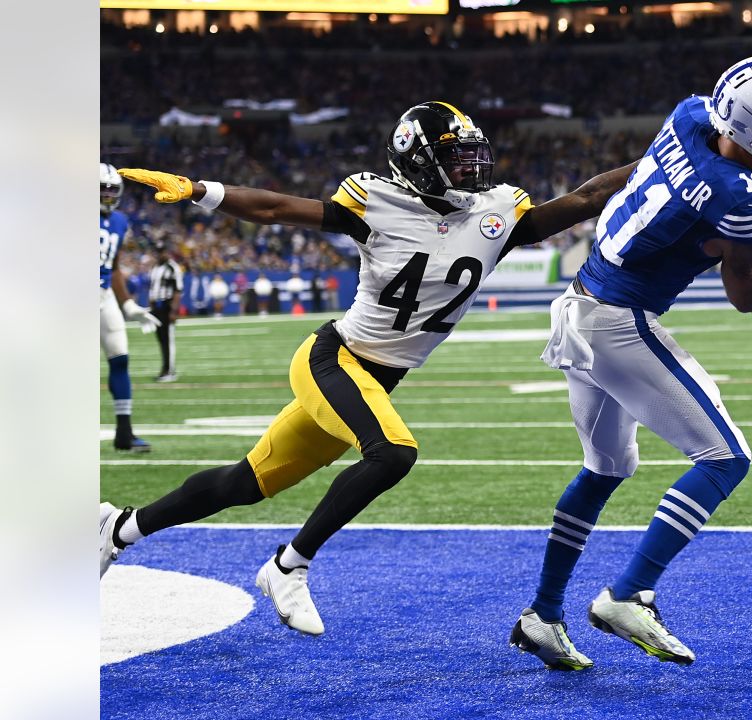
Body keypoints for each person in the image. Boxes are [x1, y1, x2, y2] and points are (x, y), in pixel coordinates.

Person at [99, 102, 639, 639]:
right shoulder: (376, 201)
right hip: (333, 360)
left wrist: (663, 161)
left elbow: (589, 197)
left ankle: (118, 528)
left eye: (474, 154)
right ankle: (289, 565)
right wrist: (202, 190)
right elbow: (276, 209)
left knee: (244, 482)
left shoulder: (497, 213)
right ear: (417, 162)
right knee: (393, 453)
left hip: (375, 379)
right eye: (456, 157)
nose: (473, 168)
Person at [510, 56, 752, 670]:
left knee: (605, 469)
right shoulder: (743, 195)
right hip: (620, 323)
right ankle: (628, 596)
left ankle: (542, 613)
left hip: (575, 306)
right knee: (726, 458)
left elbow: (615, 183)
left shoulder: (689, 115)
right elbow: (747, 294)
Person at [99, 162, 161, 452]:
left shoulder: (120, 221)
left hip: (102, 294)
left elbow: (112, 268)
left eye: (113, 189)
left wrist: (128, 304)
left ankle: (124, 432)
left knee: (120, 359)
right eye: (102, 189)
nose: (108, 195)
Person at [147, 241, 184, 382]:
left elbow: (178, 290)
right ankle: (164, 369)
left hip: (167, 305)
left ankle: (170, 371)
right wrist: (150, 308)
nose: (160, 254)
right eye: (158, 251)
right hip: (156, 307)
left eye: (162, 251)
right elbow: (152, 289)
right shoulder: (155, 267)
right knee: (161, 339)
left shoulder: (172, 267)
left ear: (167, 252)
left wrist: (174, 310)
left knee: (168, 339)